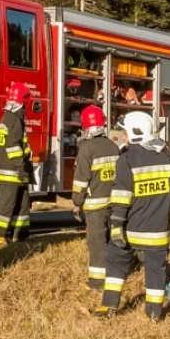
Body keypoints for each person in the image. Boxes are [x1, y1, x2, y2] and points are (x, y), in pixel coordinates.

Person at [94, 111, 170, 322]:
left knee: (116, 263)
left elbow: (122, 197)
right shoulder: (167, 158)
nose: (122, 135)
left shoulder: (126, 160)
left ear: (134, 133)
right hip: (158, 232)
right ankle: (154, 314)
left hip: (131, 230)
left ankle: (109, 306)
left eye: (124, 131)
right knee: (155, 272)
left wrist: (116, 226)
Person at [71, 105, 121, 290]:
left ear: (85, 126)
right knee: (111, 240)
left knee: (97, 242)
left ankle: (98, 282)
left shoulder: (87, 148)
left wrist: (77, 202)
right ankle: (115, 273)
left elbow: (81, 181)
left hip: (94, 207)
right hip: (114, 204)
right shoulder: (113, 146)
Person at [0, 83, 34, 244]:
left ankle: (20, 234)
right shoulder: (15, 119)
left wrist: (27, 154)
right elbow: (13, 146)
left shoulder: (7, 117)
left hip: (9, 168)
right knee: (7, 203)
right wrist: (20, 165)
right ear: (23, 101)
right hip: (12, 170)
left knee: (22, 203)